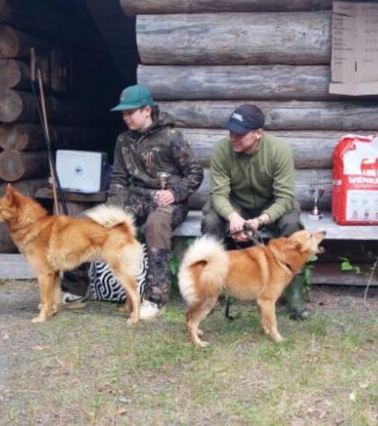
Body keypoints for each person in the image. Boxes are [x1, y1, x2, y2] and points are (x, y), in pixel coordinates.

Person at [200, 103, 310, 320]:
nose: (233, 138)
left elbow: (285, 197)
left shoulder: (279, 151)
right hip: (235, 203)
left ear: (259, 133)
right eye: (231, 132)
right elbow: (219, 194)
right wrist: (232, 216)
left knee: (291, 225)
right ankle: (209, 290)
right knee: (211, 221)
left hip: (271, 205)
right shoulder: (222, 150)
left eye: (240, 134)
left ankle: (294, 296)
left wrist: (260, 220)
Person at [106, 85, 204, 319]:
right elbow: (119, 178)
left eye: (130, 112)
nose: (125, 117)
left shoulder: (171, 137)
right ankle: (76, 288)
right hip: (139, 195)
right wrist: (113, 209)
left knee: (155, 224)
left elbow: (195, 173)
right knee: (99, 220)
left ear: (147, 110)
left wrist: (174, 193)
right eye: (123, 113)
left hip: (171, 200)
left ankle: (156, 298)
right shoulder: (124, 140)